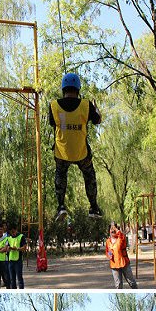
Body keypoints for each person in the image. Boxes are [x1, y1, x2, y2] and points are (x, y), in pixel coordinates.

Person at [49, 73, 103, 221]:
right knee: (89, 175)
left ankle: (61, 206)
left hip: (62, 151)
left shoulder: (53, 105)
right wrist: (97, 110)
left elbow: (53, 124)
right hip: (81, 152)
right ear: (78, 88)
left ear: (63, 88)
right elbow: (98, 121)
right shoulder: (86, 105)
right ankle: (93, 207)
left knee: (60, 174)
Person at [106, 223, 137, 289]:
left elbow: (122, 236)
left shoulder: (121, 238)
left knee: (131, 282)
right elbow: (107, 251)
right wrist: (109, 255)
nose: (112, 231)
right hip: (114, 265)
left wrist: (117, 230)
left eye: (114, 229)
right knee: (118, 285)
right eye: (111, 229)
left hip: (124, 263)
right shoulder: (108, 241)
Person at [7, 224, 27, 289]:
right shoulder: (9, 238)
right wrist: (8, 248)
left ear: (16, 230)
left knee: (19, 279)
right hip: (11, 261)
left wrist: (17, 249)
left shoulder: (21, 236)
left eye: (13, 231)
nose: (12, 233)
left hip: (18, 261)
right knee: (12, 280)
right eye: (11, 232)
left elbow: (24, 248)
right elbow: (6, 247)